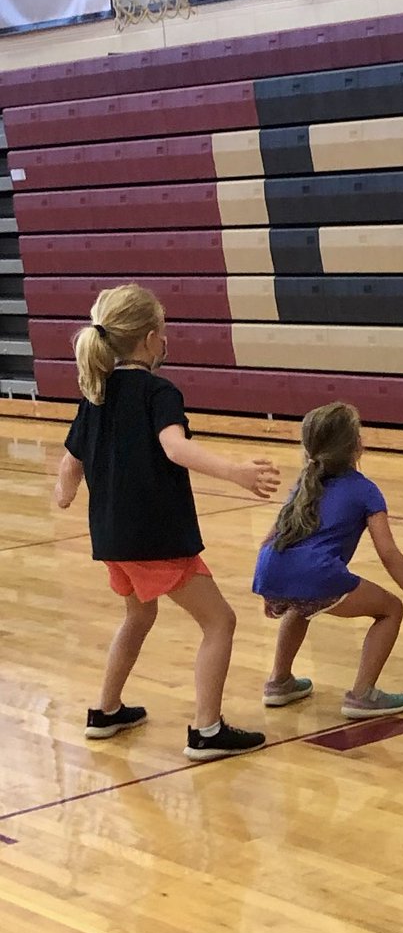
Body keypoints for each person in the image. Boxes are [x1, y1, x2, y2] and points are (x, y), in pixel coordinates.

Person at [53, 284, 279, 761]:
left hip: (112, 538)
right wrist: (236, 472)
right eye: (164, 330)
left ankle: (106, 711)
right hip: (153, 536)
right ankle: (207, 730)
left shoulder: (96, 393)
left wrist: (64, 494)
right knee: (220, 621)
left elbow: (71, 460)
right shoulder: (159, 392)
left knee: (139, 615)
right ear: (150, 339)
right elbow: (175, 447)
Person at [253, 402, 403, 719]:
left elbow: (269, 539)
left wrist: (271, 588)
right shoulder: (365, 490)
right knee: (391, 609)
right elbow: (388, 553)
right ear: (356, 445)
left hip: (270, 567)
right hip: (316, 573)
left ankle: (279, 681)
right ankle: (363, 694)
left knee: (301, 606)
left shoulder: (304, 484)